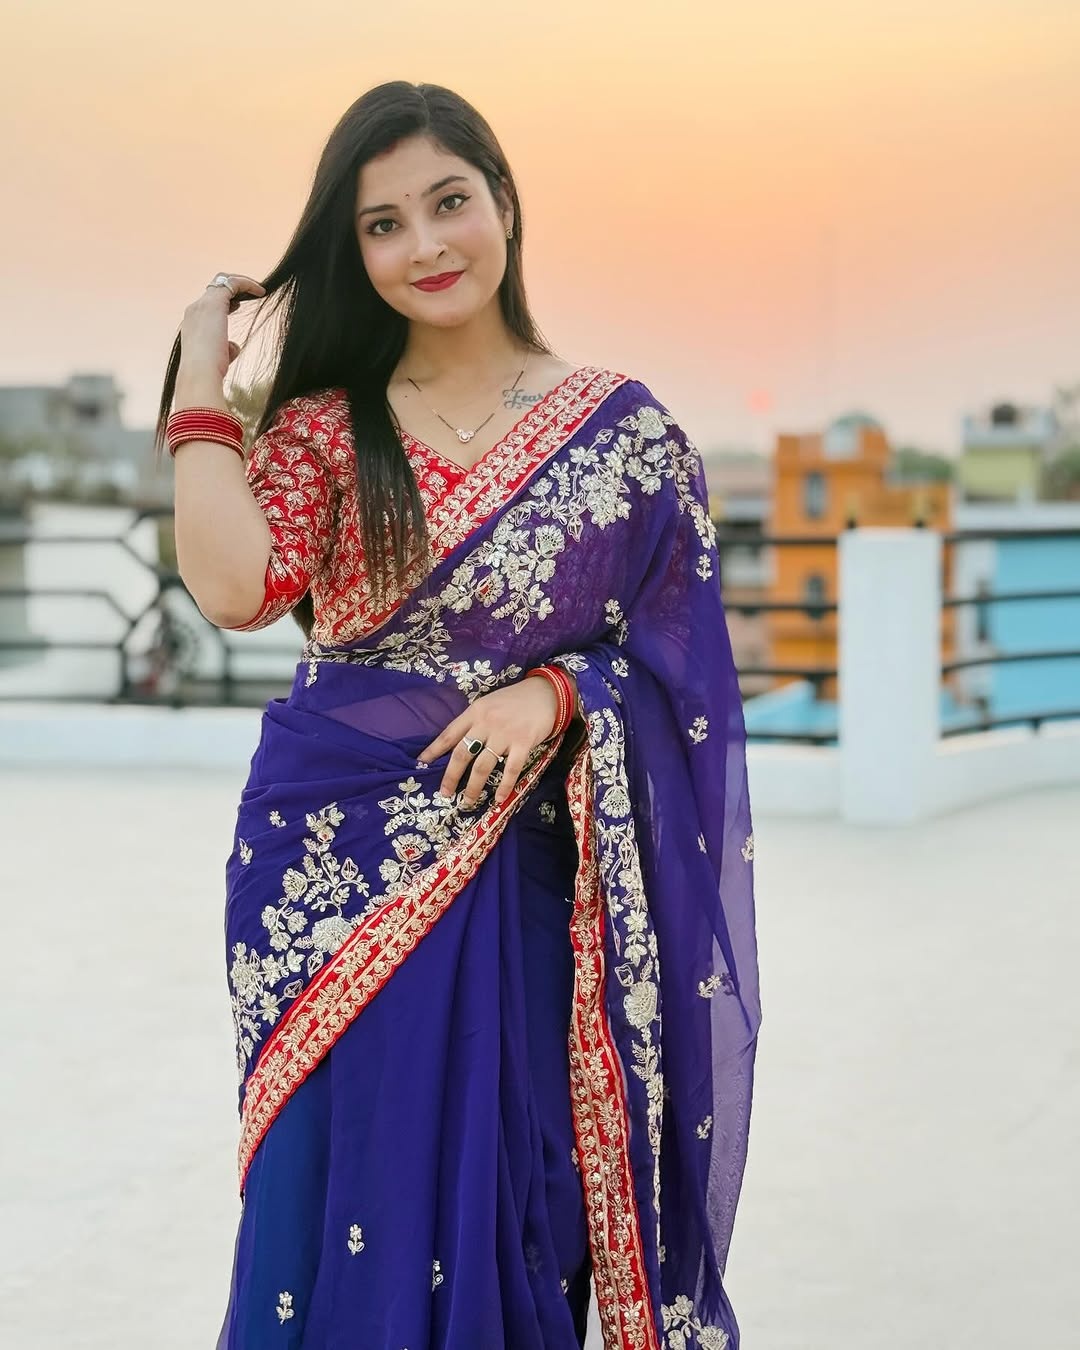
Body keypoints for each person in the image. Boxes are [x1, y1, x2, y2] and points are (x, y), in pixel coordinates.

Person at [156, 80, 761, 1350]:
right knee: (337, 1208)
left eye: (448, 203)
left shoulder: (625, 437)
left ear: (505, 205)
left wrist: (557, 692)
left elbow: (683, 675)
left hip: (530, 872)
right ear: (353, 250)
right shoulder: (328, 429)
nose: (424, 246)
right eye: (382, 225)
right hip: (328, 875)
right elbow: (232, 586)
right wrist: (204, 368)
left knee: (519, 1194)